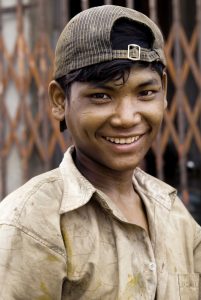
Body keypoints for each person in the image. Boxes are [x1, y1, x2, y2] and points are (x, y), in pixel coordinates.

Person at [0, 5, 200, 300]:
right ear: (59, 100)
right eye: (101, 96)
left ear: (164, 92)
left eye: (145, 93)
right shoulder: (32, 223)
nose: (126, 117)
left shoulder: (173, 214)